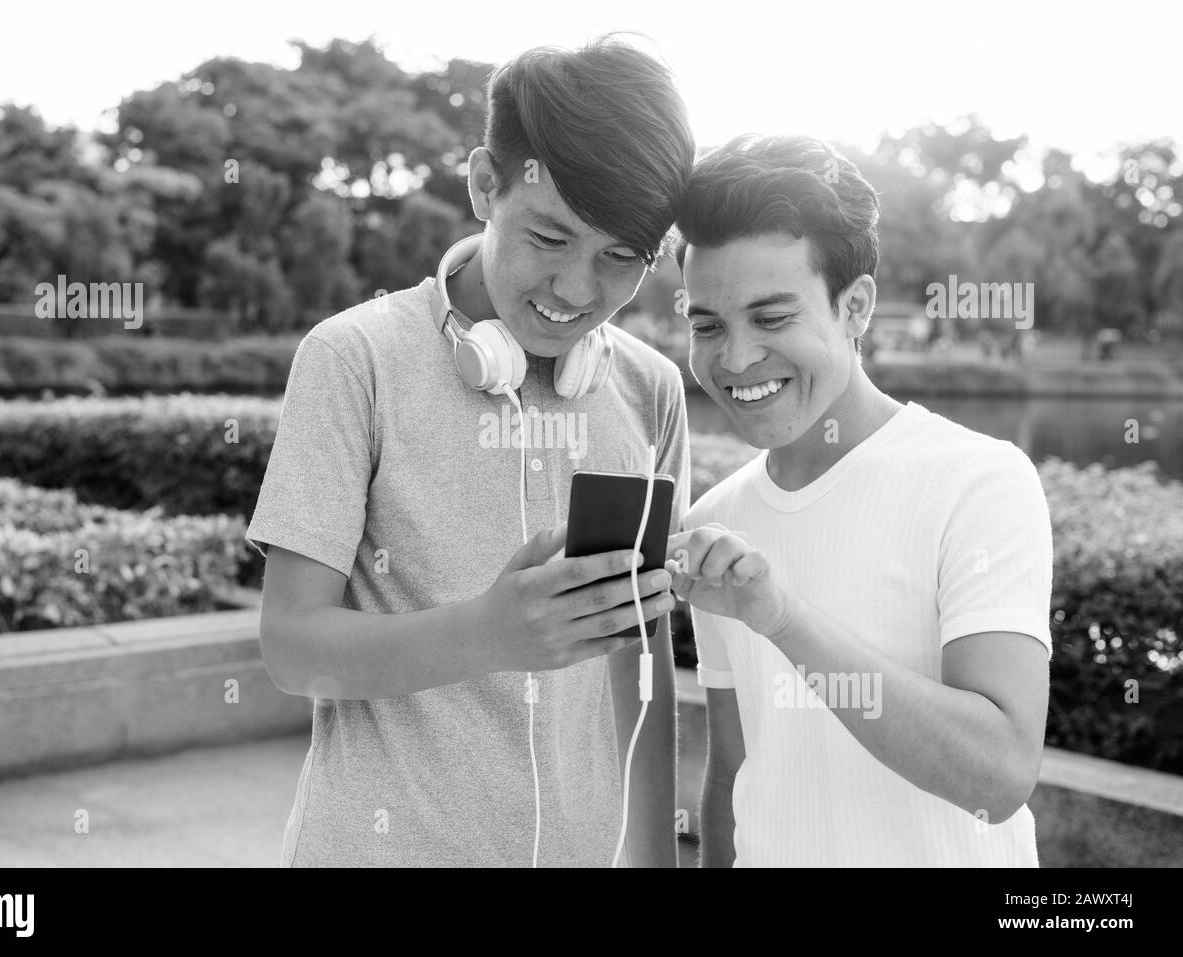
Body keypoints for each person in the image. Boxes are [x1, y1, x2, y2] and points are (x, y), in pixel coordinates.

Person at [246, 37, 695, 867]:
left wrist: (655, 858)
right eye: (550, 238)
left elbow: (642, 646)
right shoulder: (354, 359)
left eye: (621, 258)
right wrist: (485, 634)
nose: (576, 291)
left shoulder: (651, 389)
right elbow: (291, 645)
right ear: (487, 184)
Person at [666, 134, 1053, 866]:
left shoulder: (980, 480)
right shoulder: (713, 520)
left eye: (773, 317)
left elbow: (999, 774)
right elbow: (734, 776)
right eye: (707, 325)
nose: (736, 358)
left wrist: (782, 618)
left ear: (857, 305)